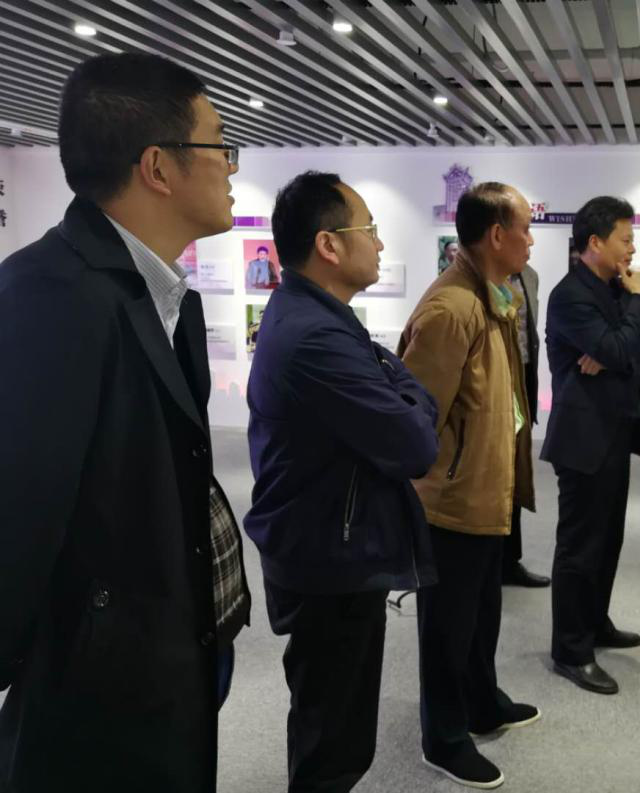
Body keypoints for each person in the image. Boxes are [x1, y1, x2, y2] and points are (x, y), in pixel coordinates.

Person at [0, 53, 250, 792]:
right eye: (219, 144)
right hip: (94, 690)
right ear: (158, 167)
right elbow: (18, 519)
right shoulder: (48, 295)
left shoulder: (169, 297)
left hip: (164, 654)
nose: (231, 166)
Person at [243, 171, 439, 793]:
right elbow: (416, 444)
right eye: (370, 229)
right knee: (332, 739)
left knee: (336, 724)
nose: (379, 243)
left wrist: (401, 387)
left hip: (331, 541)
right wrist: (409, 394)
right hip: (328, 557)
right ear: (329, 245)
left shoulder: (320, 316)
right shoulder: (314, 335)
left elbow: (398, 382)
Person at [400, 182, 540, 790]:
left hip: (487, 489)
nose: (531, 240)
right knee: (448, 626)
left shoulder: (492, 296)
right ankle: (444, 736)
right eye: (525, 228)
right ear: (496, 236)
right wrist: (441, 482)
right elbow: (416, 422)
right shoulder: (451, 309)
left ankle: (482, 703)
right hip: (453, 501)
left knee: (482, 613)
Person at [541, 196, 640, 696]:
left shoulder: (613, 289)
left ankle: (595, 621)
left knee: (609, 537)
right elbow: (619, 344)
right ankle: (570, 650)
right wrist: (632, 314)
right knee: (580, 546)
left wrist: (613, 351)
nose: (632, 250)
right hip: (583, 438)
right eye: (625, 240)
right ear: (595, 242)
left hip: (615, 431)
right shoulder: (570, 295)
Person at [502, 263, 551, 588]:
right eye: (523, 237)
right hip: (493, 384)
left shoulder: (530, 276)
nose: (530, 241)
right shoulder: (478, 275)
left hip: (522, 384)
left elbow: (530, 339)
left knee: (515, 472)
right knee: (495, 475)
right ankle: (491, 560)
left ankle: (508, 561)